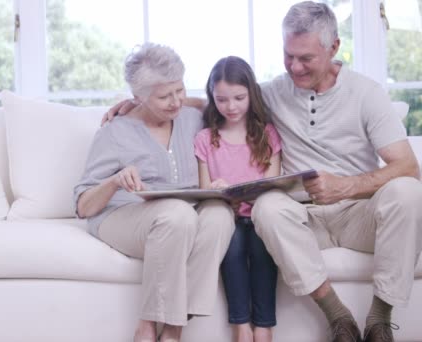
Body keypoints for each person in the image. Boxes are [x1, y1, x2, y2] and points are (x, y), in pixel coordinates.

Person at [104, 3, 422, 341]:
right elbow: (227, 101)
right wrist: (144, 104)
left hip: (358, 213)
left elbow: (407, 167)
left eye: (306, 59)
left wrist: (345, 186)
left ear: (333, 48)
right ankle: (338, 317)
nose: (295, 68)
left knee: (408, 191)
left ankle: (379, 321)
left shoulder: (367, 94)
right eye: (289, 56)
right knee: (267, 206)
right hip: (302, 218)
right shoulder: (274, 93)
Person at [74, 42, 236, 342]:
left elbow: (227, 102)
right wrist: (114, 181)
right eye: (164, 97)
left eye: (180, 90)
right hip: (124, 216)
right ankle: (147, 326)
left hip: (183, 214)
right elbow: (84, 206)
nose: (176, 102)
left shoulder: (192, 118)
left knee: (219, 215)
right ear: (138, 97)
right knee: (177, 215)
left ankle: (174, 330)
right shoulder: (115, 131)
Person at [194, 56, 281, 342]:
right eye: (221, 100)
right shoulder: (206, 138)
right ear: (212, 98)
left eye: (239, 98)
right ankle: (240, 327)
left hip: (259, 217)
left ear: (251, 94)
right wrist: (220, 190)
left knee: (262, 250)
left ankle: (264, 327)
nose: (231, 107)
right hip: (227, 218)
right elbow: (205, 190)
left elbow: (273, 182)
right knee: (231, 252)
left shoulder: (267, 134)